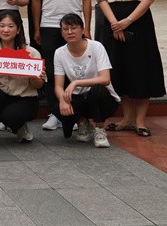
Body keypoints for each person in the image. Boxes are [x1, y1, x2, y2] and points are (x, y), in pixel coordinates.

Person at [95, 0, 165, 138]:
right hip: (113, 19)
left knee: (140, 67)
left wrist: (128, 21)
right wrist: (115, 23)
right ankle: (127, 118)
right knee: (120, 67)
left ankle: (140, 121)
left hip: (139, 20)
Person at [31, 0, 91, 131]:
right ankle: (55, 113)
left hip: (74, 25)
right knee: (50, 70)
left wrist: (86, 27)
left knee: (73, 70)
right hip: (49, 25)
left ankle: (74, 112)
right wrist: (37, 27)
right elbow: (36, 0)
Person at [0, 12, 45, 147]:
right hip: (1, 96)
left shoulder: (31, 52)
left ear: (18, 29)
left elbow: (39, 85)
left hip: (25, 98)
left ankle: (19, 125)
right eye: (2, 26)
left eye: (11, 26)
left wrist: (32, 75)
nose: (6, 30)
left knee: (11, 117)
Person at [49, 14, 120, 148]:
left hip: (103, 98)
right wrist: (63, 101)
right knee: (57, 104)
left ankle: (99, 129)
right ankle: (83, 123)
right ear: (61, 33)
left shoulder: (96, 46)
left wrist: (76, 82)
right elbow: (58, 86)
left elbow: (105, 79)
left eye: (74, 28)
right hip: (79, 97)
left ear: (82, 30)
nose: (70, 32)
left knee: (98, 90)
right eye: (65, 29)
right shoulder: (59, 53)